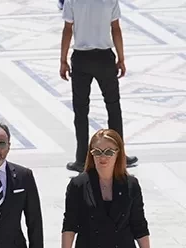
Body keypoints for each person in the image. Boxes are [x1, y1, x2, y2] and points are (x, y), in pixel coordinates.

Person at [61, 0, 136, 172]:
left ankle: (81, 159)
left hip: (81, 59)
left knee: (81, 110)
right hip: (104, 59)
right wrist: (121, 58)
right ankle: (119, 155)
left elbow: (67, 30)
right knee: (113, 106)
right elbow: (115, 28)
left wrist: (63, 60)